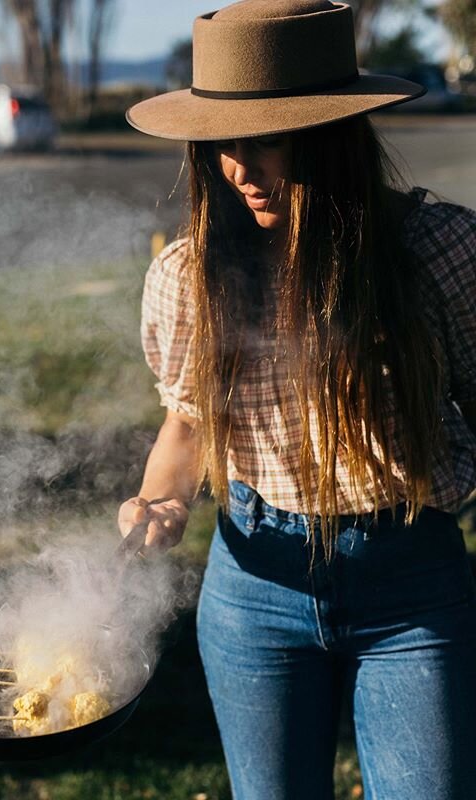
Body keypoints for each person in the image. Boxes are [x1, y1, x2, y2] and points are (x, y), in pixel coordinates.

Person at [118, 1, 476, 798]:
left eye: (267, 141)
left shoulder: (438, 250)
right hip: (255, 586)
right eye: (221, 146)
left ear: (332, 137)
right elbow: (188, 420)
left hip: (410, 582)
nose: (239, 169)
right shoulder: (186, 278)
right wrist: (158, 501)